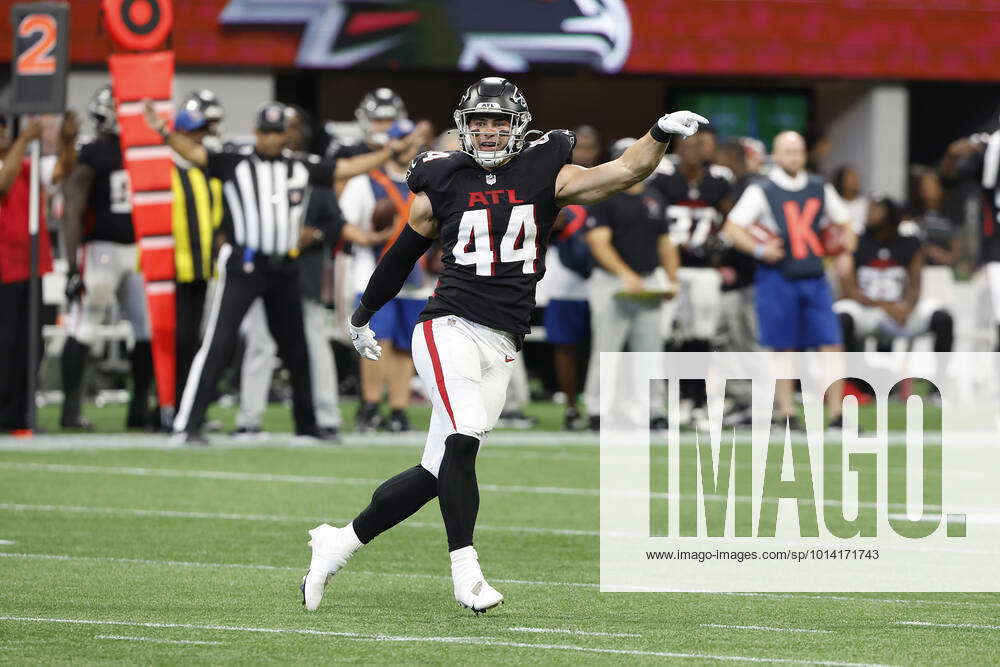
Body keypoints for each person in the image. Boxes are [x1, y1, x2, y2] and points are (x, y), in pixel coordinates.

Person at [298, 77, 708, 614]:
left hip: (504, 340)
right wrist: (363, 315)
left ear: (518, 126)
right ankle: (465, 573)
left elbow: (625, 171)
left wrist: (657, 134)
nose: (488, 131)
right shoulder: (441, 180)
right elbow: (400, 254)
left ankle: (339, 542)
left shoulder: (546, 171)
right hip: (448, 327)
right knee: (464, 437)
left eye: (498, 121)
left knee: (434, 471)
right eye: (479, 121)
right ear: (463, 128)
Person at [145, 99, 416, 443]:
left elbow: (346, 168)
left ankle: (307, 424)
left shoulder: (302, 166)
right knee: (218, 343)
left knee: (297, 349)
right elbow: (196, 155)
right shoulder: (234, 162)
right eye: (268, 133)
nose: (273, 139)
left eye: (278, 133)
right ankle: (189, 424)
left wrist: (388, 153)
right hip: (244, 264)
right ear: (257, 133)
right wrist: (164, 131)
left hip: (285, 266)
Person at [722, 131, 855, 429]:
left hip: (814, 275)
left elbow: (845, 224)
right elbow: (733, 227)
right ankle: (786, 412)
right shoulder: (763, 189)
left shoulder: (819, 187)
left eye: (798, 151)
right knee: (783, 347)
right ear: (777, 155)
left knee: (832, 344)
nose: (794, 157)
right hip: (778, 276)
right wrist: (759, 249)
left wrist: (845, 251)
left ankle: (836, 413)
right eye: (788, 151)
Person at [234, 105, 351, 441]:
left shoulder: (312, 172)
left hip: (304, 274)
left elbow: (335, 224)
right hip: (266, 272)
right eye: (285, 126)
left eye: (293, 126)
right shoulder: (257, 170)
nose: (289, 132)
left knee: (315, 345)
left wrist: (313, 234)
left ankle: (326, 416)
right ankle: (249, 418)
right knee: (260, 345)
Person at [61, 85, 155, 431]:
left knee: (145, 331)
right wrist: (72, 265)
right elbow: (72, 209)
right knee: (85, 327)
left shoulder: (139, 151)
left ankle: (139, 408)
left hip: (136, 252)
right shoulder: (94, 154)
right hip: (100, 251)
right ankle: (70, 410)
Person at [581, 137, 679, 431]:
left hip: (647, 282)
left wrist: (673, 278)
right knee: (606, 351)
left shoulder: (655, 198)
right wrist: (625, 274)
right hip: (611, 283)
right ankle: (597, 410)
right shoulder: (603, 195)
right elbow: (598, 243)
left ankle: (653, 410)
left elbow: (665, 242)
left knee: (650, 352)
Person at [339, 118, 427, 433]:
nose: (406, 146)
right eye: (400, 139)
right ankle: (371, 405)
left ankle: (400, 409)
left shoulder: (427, 181)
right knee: (377, 341)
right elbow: (344, 221)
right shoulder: (368, 181)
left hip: (416, 278)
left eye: (410, 140)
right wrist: (366, 239)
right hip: (373, 274)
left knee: (407, 346)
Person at [835, 195, 953, 352]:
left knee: (942, 318)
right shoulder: (857, 241)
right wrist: (884, 306)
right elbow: (849, 288)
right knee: (842, 316)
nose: (869, 213)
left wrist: (907, 307)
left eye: (876, 209)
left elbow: (915, 285)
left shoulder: (909, 242)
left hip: (901, 309)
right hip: (867, 309)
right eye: (869, 208)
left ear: (890, 214)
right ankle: (852, 372)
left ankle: (940, 375)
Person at [650, 132, 732, 355]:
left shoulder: (718, 181)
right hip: (670, 267)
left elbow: (732, 217)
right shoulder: (664, 180)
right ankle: (667, 385)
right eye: (687, 147)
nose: (692, 152)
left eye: (697, 147)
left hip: (704, 266)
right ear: (677, 150)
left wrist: (721, 243)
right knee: (665, 329)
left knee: (703, 330)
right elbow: (653, 217)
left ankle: (695, 388)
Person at [170, 96, 224, 414]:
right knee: (168, 341)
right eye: (193, 132)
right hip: (170, 269)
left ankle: (187, 407)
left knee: (195, 341)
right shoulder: (165, 169)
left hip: (204, 268)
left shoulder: (209, 169)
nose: (200, 137)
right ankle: (164, 406)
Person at [0, 116, 49, 433]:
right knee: (4, 345)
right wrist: (23, 141)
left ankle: (20, 415)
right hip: (3, 270)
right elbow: (3, 182)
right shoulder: (16, 162)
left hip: (30, 267)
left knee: (31, 346)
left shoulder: (27, 166)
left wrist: (69, 142)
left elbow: (60, 173)